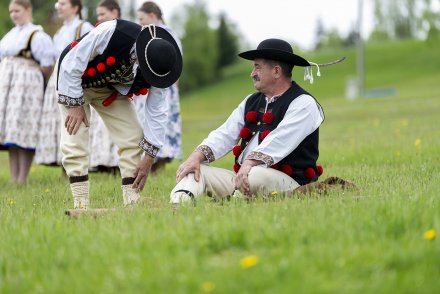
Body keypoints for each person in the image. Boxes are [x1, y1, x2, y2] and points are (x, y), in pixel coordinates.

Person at [170, 38, 326, 204]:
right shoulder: (251, 101)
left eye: (257, 67)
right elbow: (225, 133)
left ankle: (234, 204)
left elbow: (280, 140)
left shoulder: (303, 103)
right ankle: (179, 205)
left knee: (255, 175)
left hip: (288, 184)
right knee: (195, 169)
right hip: (245, 178)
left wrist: (249, 164)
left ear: (276, 71)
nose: (252, 73)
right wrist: (197, 156)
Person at [56, 20, 182, 208]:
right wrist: (74, 105)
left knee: (132, 136)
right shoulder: (112, 32)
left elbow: (156, 113)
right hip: (73, 80)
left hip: (108, 89)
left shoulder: (160, 66)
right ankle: (80, 203)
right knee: (75, 137)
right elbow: (72, 62)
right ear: (141, 52)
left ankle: (132, 199)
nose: (148, 76)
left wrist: (149, 158)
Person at [0, 0, 55, 184]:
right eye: (11, 11)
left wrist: (30, 76)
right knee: (12, 131)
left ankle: (23, 177)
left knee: (25, 127)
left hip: (27, 86)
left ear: (27, 10)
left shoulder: (37, 35)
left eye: (17, 10)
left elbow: (47, 64)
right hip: (9, 85)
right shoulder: (10, 35)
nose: (14, 14)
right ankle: (14, 177)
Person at [35, 0, 94, 167]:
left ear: (75, 8)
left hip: (75, 79)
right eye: (57, 4)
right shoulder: (60, 32)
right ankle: (64, 160)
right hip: (58, 77)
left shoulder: (84, 27)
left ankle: (77, 162)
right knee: (58, 120)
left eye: (63, 4)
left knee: (74, 119)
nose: (58, 7)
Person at [137, 1, 183, 173]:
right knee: (145, 120)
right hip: (147, 84)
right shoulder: (146, 33)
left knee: (162, 121)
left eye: (142, 19)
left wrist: (174, 91)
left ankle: (159, 163)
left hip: (166, 85)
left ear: (152, 16)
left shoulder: (168, 35)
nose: (140, 23)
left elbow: (177, 65)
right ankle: (150, 160)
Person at [87, 0, 121, 173]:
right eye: (98, 15)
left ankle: (117, 163)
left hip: (118, 85)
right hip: (100, 84)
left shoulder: (121, 33)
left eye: (103, 14)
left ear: (114, 12)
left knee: (118, 125)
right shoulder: (98, 33)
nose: (99, 18)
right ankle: (102, 162)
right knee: (100, 126)